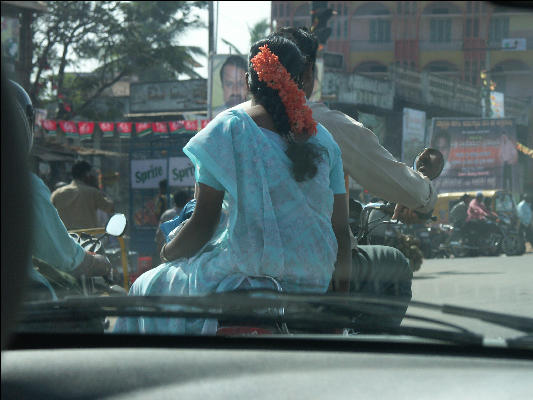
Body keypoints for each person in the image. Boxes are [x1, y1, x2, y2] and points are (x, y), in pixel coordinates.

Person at [115, 35, 352, 335]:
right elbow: (341, 230)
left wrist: (168, 252)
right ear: (301, 80)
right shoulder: (324, 140)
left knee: (145, 287)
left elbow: (202, 226)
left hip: (244, 278)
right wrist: (340, 301)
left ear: (247, 80)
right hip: (314, 284)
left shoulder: (228, 128)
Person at [8, 80, 111, 301]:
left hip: (67, 242)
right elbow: (65, 257)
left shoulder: (57, 193)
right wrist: (102, 264)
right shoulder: (25, 186)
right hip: (31, 293)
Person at [51, 161, 114, 230]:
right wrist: (97, 188)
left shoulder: (57, 193)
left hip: (64, 238)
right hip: (87, 238)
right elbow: (110, 208)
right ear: (87, 175)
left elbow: (48, 214)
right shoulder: (92, 193)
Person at [155, 190, 192, 255]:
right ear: (187, 201)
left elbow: (159, 236)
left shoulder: (167, 214)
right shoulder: (191, 215)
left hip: (168, 252)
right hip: (186, 255)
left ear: (174, 201)